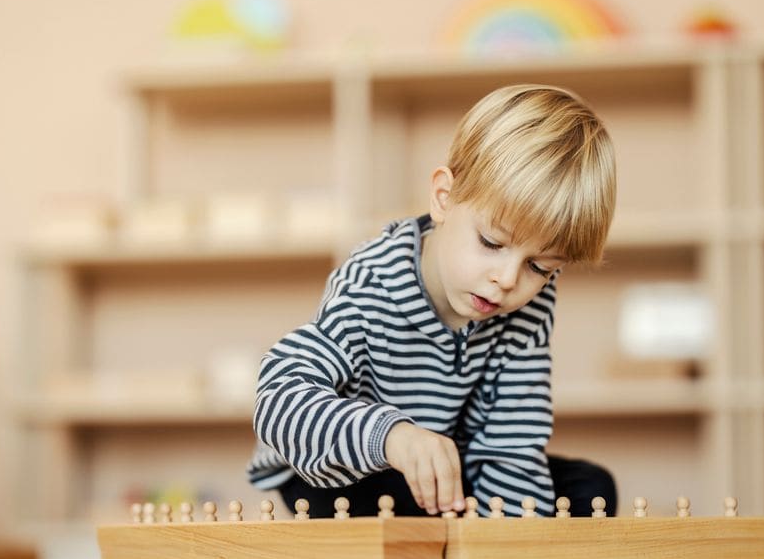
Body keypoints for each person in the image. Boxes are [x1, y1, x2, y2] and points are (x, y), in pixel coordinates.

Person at [247, 84, 618, 518]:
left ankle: (454, 531)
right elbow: (278, 396)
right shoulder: (371, 282)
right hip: (346, 468)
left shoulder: (528, 303)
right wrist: (393, 437)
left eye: (540, 267)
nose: (507, 279)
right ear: (444, 198)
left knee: (591, 489)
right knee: (378, 498)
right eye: (491, 242)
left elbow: (513, 441)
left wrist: (506, 540)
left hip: (450, 467)